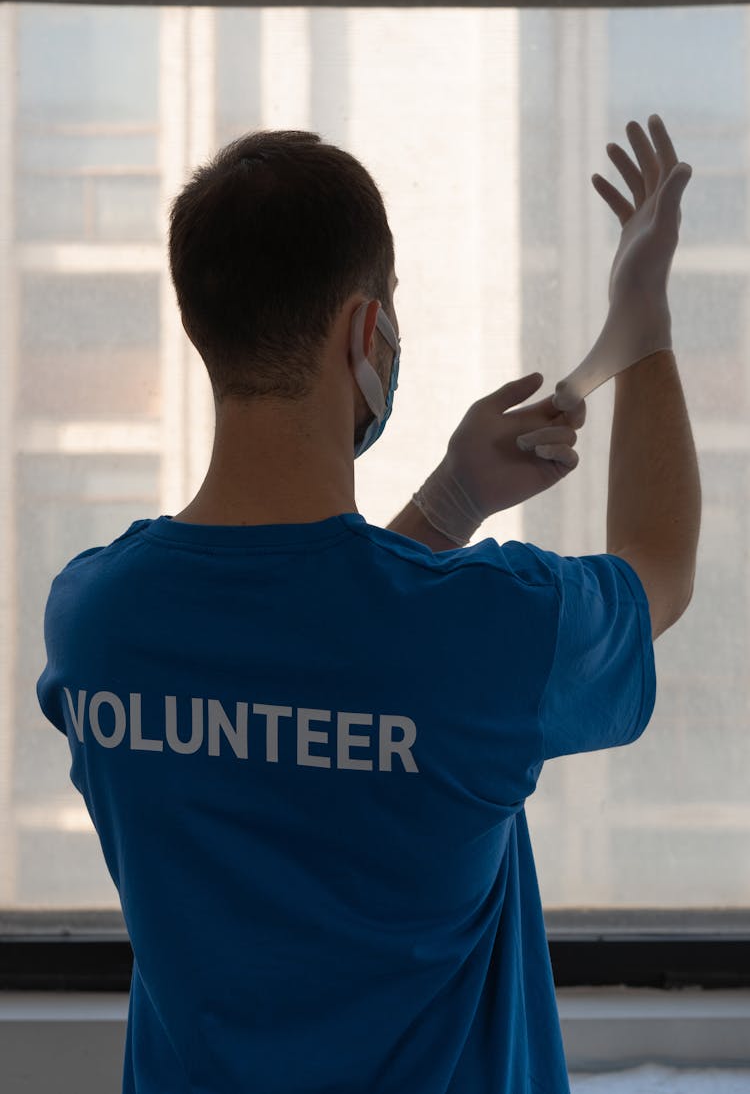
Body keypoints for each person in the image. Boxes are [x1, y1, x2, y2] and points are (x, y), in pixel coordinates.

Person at [37, 115, 700, 1094]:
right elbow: (660, 569)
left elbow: (297, 647)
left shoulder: (95, 622)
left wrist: (449, 503)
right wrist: (642, 323)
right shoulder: (486, 632)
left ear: (202, 326)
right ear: (363, 330)